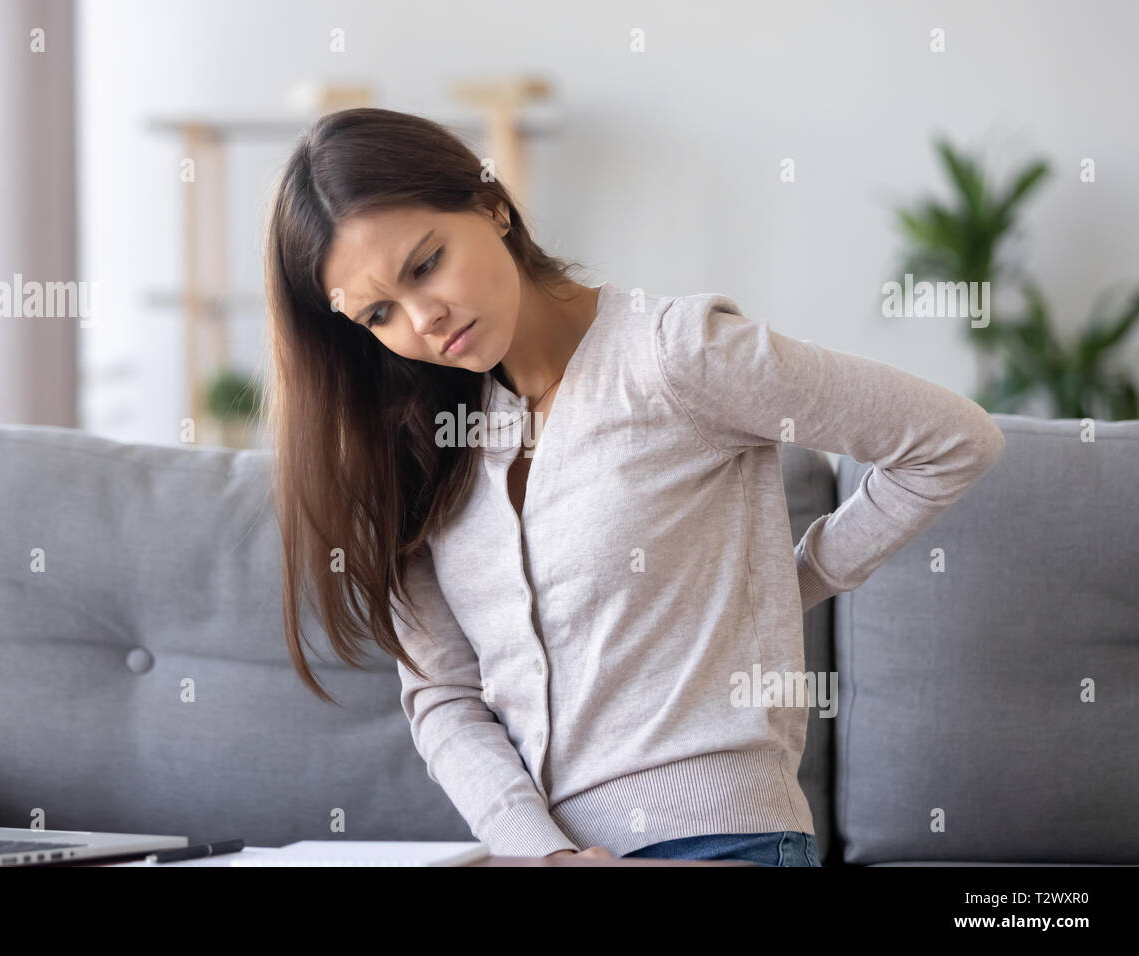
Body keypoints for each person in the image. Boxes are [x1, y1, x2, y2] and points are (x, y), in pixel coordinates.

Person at [260, 107, 1005, 864]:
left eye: (426, 264)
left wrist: (786, 580)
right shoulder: (420, 449)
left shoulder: (677, 357)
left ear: (490, 205)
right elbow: (444, 698)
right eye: (379, 312)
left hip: (724, 839)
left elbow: (950, 440)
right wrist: (542, 853)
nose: (424, 319)